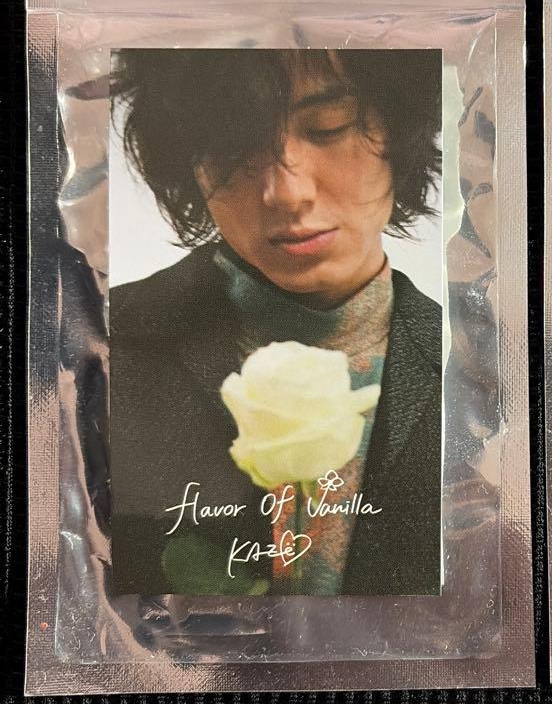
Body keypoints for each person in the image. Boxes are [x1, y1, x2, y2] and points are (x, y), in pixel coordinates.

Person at [107, 48, 443, 598]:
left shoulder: (490, 373)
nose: (286, 192)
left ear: (400, 127)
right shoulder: (94, 353)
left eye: (327, 127)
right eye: (232, 146)